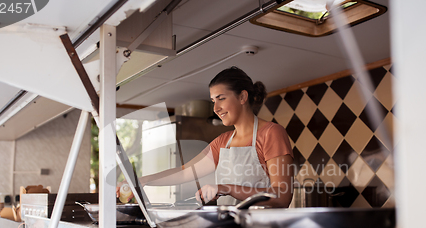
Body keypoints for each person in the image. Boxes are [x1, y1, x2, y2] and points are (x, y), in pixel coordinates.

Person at [118, 67, 294, 208]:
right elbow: (185, 172)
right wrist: (140, 181)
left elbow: (281, 196)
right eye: (213, 101)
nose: (216, 108)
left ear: (242, 96)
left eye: (221, 98)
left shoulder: (271, 133)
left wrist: (225, 189)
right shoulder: (223, 142)